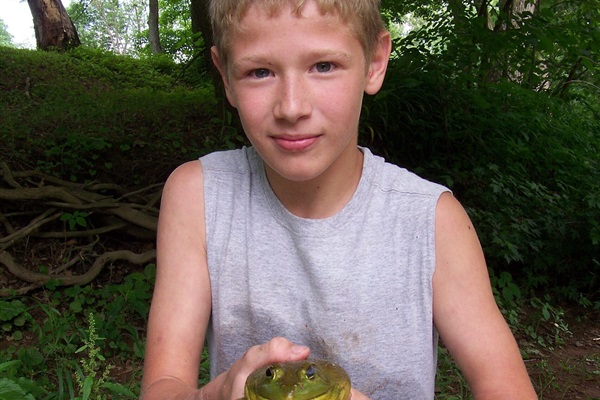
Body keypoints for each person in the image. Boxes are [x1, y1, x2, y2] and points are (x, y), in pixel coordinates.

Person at [140, 0, 538, 399]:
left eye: (323, 66)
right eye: (259, 72)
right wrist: (217, 394)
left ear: (375, 61)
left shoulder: (432, 221)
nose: (292, 107)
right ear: (225, 75)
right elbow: (163, 387)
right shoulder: (199, 196)